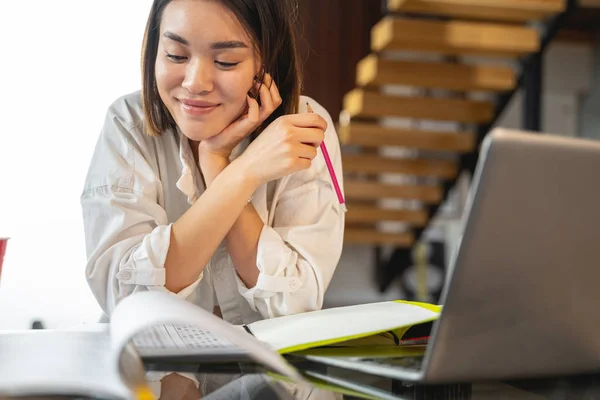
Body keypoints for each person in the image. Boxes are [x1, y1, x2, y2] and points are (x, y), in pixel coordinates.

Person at [81, 0, 345, 326]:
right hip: (148, 373)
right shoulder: (128, 124)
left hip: (265, 373)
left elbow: (297, 300)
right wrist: (240, 175)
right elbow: (125, 296)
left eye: (225, 61)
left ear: (265, 62)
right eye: (176, 55)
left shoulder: (304, 127)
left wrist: (216, 165)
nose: (195, 83)